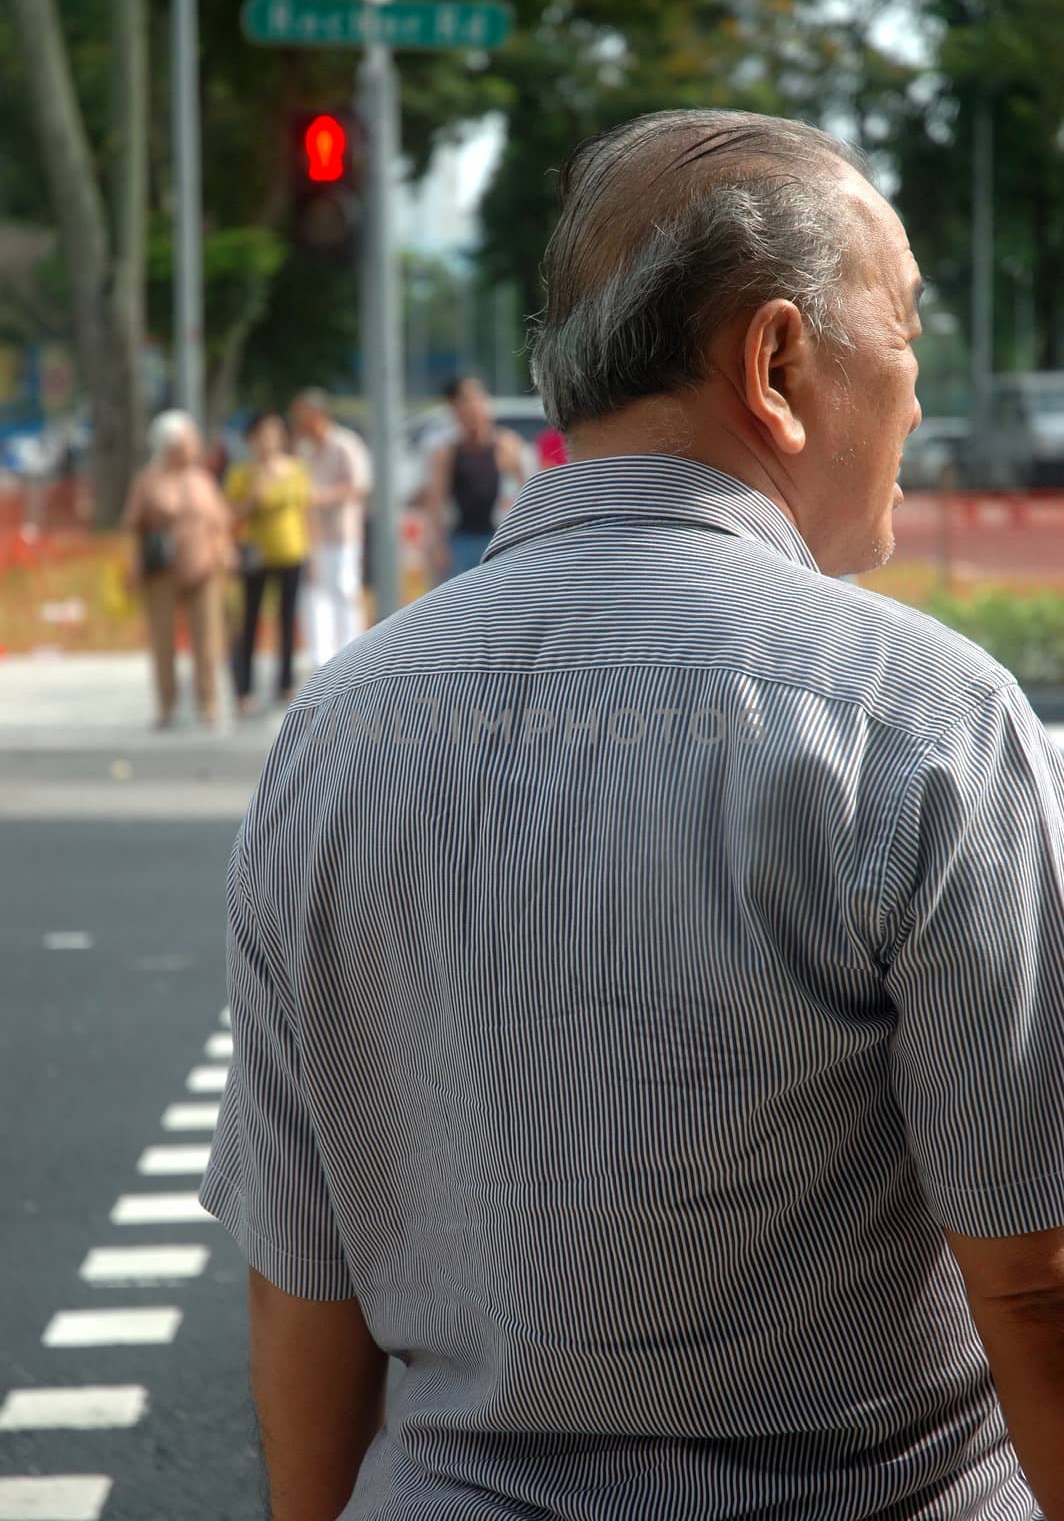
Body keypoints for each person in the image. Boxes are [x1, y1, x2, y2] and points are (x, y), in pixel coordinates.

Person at [200, 111, 1064, 1521]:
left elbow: (307, 1285)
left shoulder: (341, 729)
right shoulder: (922, 720)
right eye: (904, 334)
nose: (916, 396)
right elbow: (1033, 1282)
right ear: (778, 364)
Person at [122, 409, 231, 728]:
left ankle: (208, 702)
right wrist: (132, 563)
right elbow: (133, 526)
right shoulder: (148, 480)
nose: (194, 446)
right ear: (170, 445)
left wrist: (223, 551)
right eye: (188, 440)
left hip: (203, 568)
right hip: (162, 571)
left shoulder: (202, 479)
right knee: (163, 640)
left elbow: (219, 521)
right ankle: (167, 705)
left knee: (208, 639)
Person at [224, 412, 310, 715]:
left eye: (274, 434)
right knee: (249, 621)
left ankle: (285, 684)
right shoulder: (242, 473)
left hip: (291, 552)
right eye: (261, 434)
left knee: (288, 621)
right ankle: (244, 689)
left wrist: (310, 550)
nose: (268, 440)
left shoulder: (296, 469)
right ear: (251, 439)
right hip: (255, 555)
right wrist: (254, 491)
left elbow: (303, 511)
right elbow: (232, 515)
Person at [288, 389, 373, 663]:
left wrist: (324, 496)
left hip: (342, 533)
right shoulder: (303, 449)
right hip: (311, 535)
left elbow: (360, 486)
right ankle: (321, 660)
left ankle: (350, 657)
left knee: (344, 590)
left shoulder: (345, 443)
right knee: (313, 596)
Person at [423, 375, 530, 579]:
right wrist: (436, 544)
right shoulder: (448, 452)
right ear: (454, 410)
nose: (473, 408)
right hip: (461, 540)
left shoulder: (505, 445)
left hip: (498, 538)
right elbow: (435, 501)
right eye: (464, 402)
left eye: (477, 399)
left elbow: (526, 491)